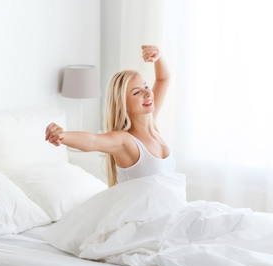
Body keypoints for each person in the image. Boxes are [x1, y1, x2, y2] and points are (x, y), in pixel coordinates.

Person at [45, 45, 175, 187]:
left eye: (146, 87)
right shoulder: (125, 141)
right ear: (123, 104)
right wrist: (62, 135)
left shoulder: (152, 125)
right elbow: (93, 141)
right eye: (137, 92)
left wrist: (158, 57)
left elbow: (163, 79)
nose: (148, 93)